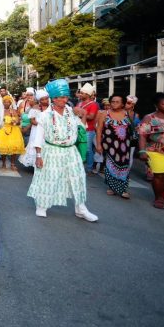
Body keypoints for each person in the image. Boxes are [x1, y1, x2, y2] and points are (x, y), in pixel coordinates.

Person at [27, 79, 98, 222]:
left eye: (66, 97)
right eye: (61, 97)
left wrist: (82, 115)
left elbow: (81, 129)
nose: (65, 100)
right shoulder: (45, 115)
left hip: (71, 151)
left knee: (78, 178)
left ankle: (81, 209)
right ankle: (42, 205)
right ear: (54, 99)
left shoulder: (72, 112)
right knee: (48, 179)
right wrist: (39, 156)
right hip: (51, 151)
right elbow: (39, 137)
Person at [95, 95, 132, 198]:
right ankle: (113, 187)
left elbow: (131, 127)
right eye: (113, 101)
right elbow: (99, 130)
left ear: (123, 104)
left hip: (125, 146)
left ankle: (123, 188)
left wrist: (130, 107)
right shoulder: (104, 114)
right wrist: (98, 145)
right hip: (109, 145)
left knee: (124, 166)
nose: (114, 103)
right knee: (111, 165)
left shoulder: (127, 114)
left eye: (117, 102)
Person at [20, 89, 50, 167]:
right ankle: (35, 163)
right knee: (36, 144)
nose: (45, 101)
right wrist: (42, 123)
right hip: (36, 130)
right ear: (39, 100)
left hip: (47, 130)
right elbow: (32, 121)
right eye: (42, 99)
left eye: (46, 98)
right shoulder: (35, 108)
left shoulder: (51, 108)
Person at [0, 95, 25, 170]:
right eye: (5, 102)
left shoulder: (14, 111)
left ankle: (12, 164)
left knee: (14, 147)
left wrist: (15, 121)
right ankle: (3, 164)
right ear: (3, 103)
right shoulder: (0, 111)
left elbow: (18, 122)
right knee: (3, 148)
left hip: (13, 131)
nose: (6, 103)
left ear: (10, 103)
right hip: (2, 131)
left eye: (8, 102)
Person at [75, 83, 99, 174]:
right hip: (78, 129)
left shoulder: (93, 104)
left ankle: (89, 168)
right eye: (80, 93)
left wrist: (80, 114)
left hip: (88, 130)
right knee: (78, 147)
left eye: (82, 93)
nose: (80, 94)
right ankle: (79, 166)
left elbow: (91, 116)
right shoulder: (79, 103)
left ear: (87, 94)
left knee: (88, 149)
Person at [125, 95, 142, 172]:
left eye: (128, 103)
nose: (126, 104)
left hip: (132, 137)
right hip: (121, 137)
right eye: (125, 102)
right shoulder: (120, 113)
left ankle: (127, 172)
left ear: (133, 105)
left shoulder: (136, 115)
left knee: (130, 155)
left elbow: (139, 126)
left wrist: (138, 127)